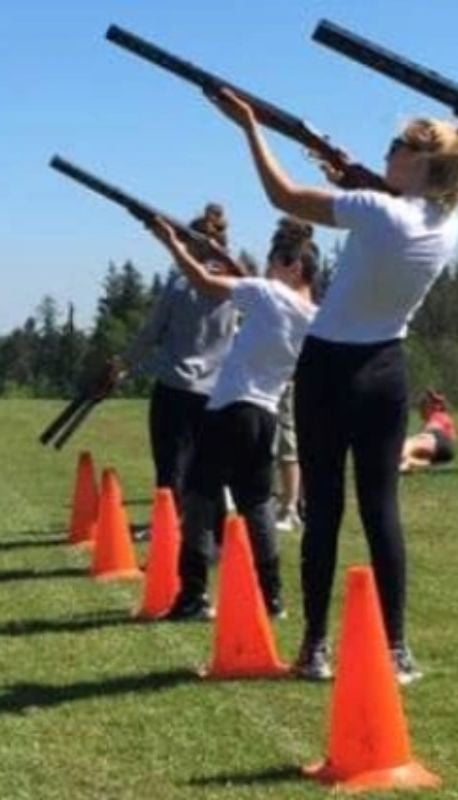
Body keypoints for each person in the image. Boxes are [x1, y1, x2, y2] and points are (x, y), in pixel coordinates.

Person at [208, 87, 458, 684]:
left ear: (421, 163)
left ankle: (313, 647)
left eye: (398, 147)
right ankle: (397, 648)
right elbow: (398, 203)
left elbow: (282, 196)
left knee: (323, 510)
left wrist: (250, 127)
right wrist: (356, 175)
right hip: (386, 368)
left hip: (328, 368)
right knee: (381, 510)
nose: (388, 152)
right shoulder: (446, 222)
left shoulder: (379, 210)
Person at [146, 215, 319, 621]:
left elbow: (205, 284)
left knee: (200, 500)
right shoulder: (316, 318)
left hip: (231, 409)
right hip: (266, 415)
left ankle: (193, 595)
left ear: (293, 266)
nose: (267, 268)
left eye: (275, 261)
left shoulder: (268, 293)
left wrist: (174, 245)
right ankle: (271, 596)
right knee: (257, 504)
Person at [122, 204, 236, 524]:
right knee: (208, 469)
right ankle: (210, 535)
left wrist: (123, 365)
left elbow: (151, 333)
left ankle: (169, 533)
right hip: (217, 390)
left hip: (175, 388)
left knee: (171, 469)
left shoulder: (179, 284)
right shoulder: (235, 285)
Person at [399, 390, 458, 472]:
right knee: (414, 456)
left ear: (430, 406)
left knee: (406, 445)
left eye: (422, 405)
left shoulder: (437, 416)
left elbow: (433, 429)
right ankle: (406, 464)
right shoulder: (446, 418)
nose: (420, 410)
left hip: (437, 438)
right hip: (447, 452)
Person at [272, 382, 302, 532]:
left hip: (284, 379)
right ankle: (279, 501)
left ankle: (290, 510)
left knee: (286, 444)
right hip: (265, 380)